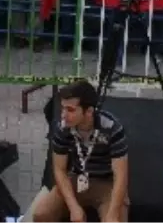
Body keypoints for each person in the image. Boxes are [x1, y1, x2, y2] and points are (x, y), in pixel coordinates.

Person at [33, 80, 129, 223]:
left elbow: (121, 176)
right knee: (41, 214)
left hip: (107, 183)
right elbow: (59, 170)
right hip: (76, 178)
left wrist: (113, 214)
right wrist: (73, 207)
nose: (64, 115)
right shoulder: (62, 128)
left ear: (89, 111)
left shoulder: (112, 128)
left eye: (70, 110)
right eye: (63, 108)